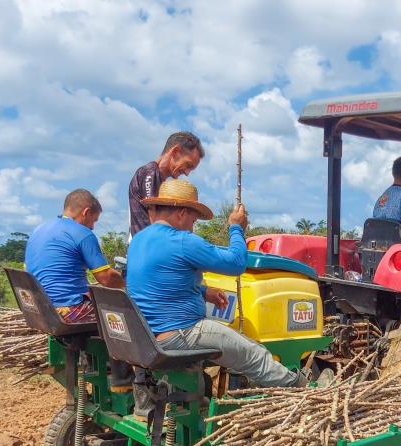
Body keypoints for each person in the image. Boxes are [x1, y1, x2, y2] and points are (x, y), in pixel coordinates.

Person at [127, 179, 304, 388]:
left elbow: (158, 283)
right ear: (182, 213)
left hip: (145, 335)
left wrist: (203, 292)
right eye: (194, 220)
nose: (193, 227)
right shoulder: (183, 241)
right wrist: (236, 228)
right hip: (180, 334)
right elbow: (236, 263)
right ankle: (299, 387)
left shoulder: (139, 240)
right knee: (254, 353)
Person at [24, 189, 124, 323]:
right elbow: (106, 278)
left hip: (38, 309)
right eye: (94, 220)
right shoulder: (82, 233)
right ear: (86, 212)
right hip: (68, 310)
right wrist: (131, 282)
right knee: (128, 313)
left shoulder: (38, 230)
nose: (93, 227)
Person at [128, 131, 205, 238]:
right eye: (188, 165)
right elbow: (155, 223)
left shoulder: (159, 179)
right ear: (175, 151)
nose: (187, 173)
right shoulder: (150, 173)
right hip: (149, 248)